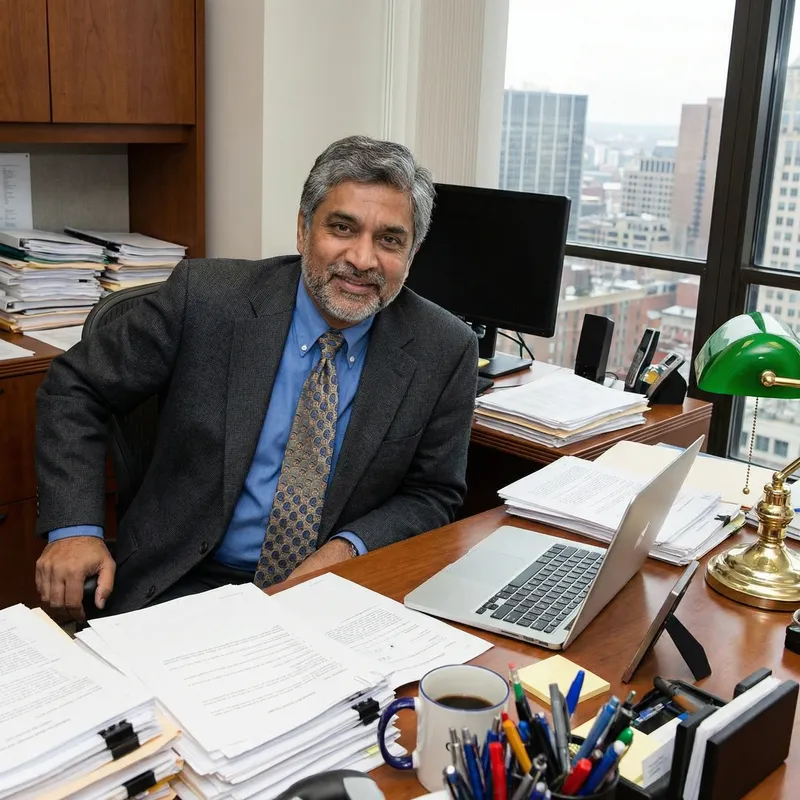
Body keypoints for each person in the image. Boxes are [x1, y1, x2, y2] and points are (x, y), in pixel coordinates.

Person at [35, 135, 478, 619]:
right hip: (183, 580)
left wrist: (348, 550)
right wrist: (74, 528)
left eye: (389, 239)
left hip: (330, 592)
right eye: (342, 228)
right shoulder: (206, 298)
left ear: (412, 253)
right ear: (303, 230)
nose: (363, 259)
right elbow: (75, 387)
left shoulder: (445, 348)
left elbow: (432, 493)